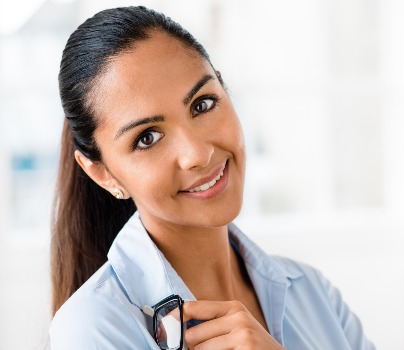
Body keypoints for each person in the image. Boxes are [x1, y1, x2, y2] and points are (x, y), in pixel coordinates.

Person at [49, 6, 375, 350]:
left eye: (203, 104)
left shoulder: (312, 292)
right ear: (102, 174)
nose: (198, 153)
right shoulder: (91, 329)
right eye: (147, 137)